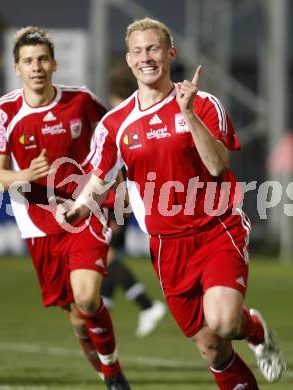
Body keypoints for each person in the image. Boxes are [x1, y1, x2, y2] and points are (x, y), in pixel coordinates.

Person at [58, 17, 287, 389]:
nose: (146, 57)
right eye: (138, 51)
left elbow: (217, 165)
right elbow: (98, 177)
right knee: (212, 347)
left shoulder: (202, 103)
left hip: (216, 228)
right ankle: (248, 341)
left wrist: (188, 113)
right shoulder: (115, 123)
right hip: (167, 244)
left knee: (225, 322)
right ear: (129, 60)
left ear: (170, 54)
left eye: (153, 49)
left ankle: (255, 330)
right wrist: (80, 206)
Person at [0, 26, 130, 390]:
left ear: (54, 64)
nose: (36, 67)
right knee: (78, 319)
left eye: (43, 59)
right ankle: (106, 368)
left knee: (87, 297)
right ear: (17, 68)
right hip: (37, 221)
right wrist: (24, 174)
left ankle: (113, 376)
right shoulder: (3, 112)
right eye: (28, 61)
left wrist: (119, 194)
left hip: (85, 210)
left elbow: (113, 142)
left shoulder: (81, 101)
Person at [100, 64, 166, 338]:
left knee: (105, 258)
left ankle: (147, 306)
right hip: (125, 201)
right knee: (105, 260)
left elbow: (119, 171)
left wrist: (118, 210)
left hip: (119, 203)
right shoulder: (138, 117)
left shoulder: (121, 119)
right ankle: (106, 311)